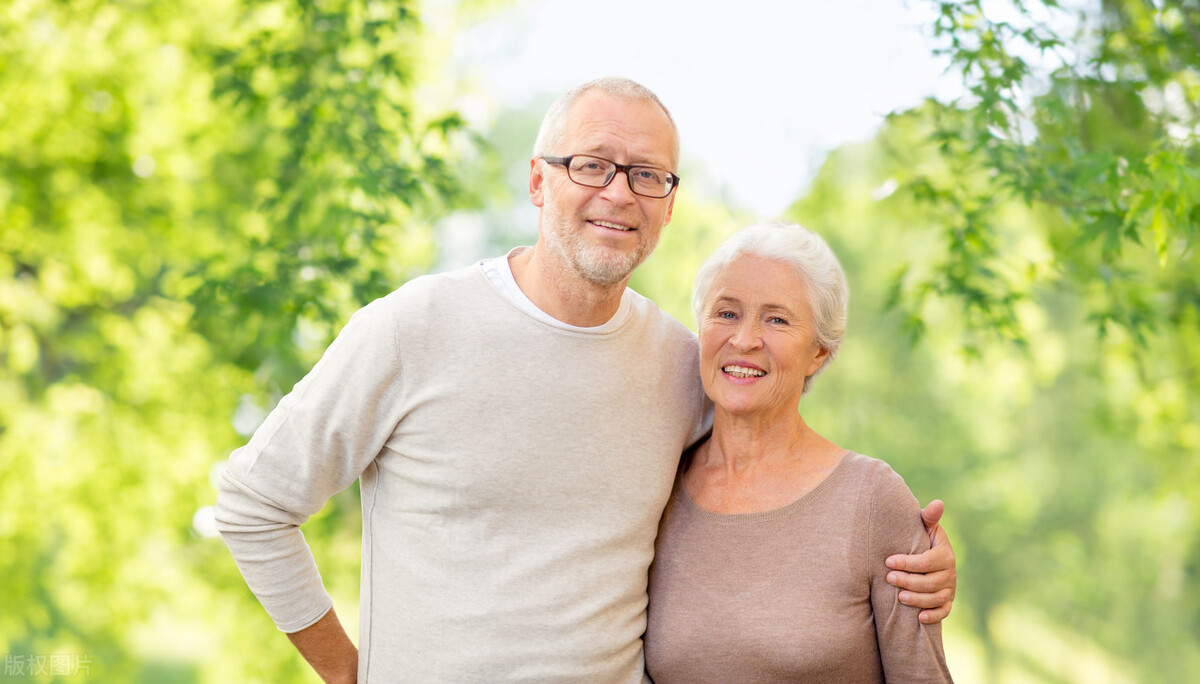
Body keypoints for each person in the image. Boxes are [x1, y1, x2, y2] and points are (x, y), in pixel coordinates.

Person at [214, 78, 956, 684]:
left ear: (668, 205)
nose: (619, 193)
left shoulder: (678, 362)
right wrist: (349, 674)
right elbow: (252, 506)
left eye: (646, 175)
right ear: (539, 181)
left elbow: (771, 470)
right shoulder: (415, 327)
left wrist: (904, 563)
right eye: (593, 164)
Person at [645, 221, 953, 682]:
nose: (745, 339)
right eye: (726, 313)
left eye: (777, 319)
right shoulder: (657, 487)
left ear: (818, 353)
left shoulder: (871, 499)